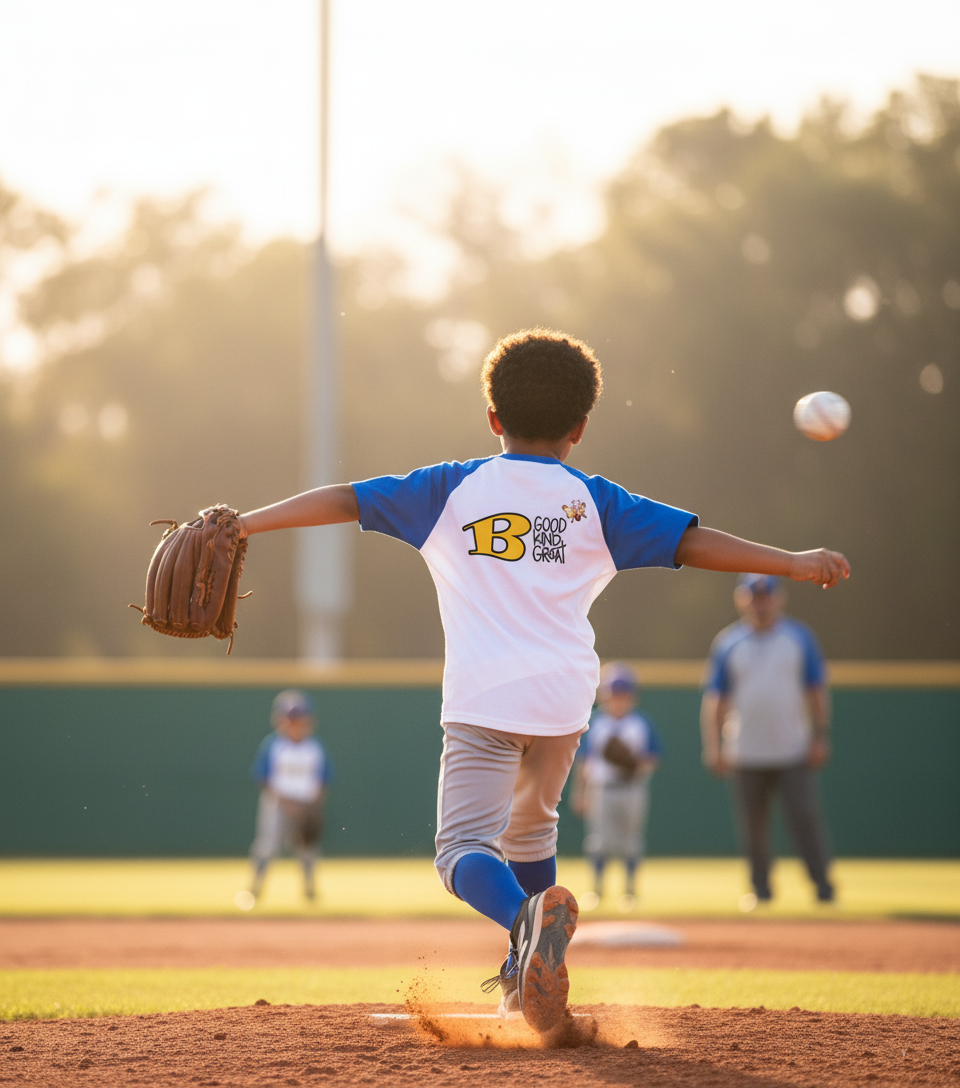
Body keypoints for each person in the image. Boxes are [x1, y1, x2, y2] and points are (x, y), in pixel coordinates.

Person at [235, 328, 849, 1032]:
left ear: (492, 418)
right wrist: (794, 562)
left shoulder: (448, 488)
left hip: (484, 700)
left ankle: (525, 918)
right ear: (580, 428)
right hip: (563, 703)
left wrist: (246, 526)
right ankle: (521, 984)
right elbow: (693, 541)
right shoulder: (598, 501)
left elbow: (344, 499)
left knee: (462, 852)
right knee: (530, 834)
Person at [700, 574, 835, 907]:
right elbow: (716, 699)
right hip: (746, 750)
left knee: (805, 818)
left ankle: (823, 887)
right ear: (741, 600)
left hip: (793, 748)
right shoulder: (729, 642)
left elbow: (816, 690)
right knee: (753, 828)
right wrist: (714, 745)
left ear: (778, 598)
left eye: (765, 596)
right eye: (753, 597)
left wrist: (820, 735)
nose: (760, 603)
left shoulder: (798, 637)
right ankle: (760, 891)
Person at [572, 662, 662, 913]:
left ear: (632, 696)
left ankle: (630, 891)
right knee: (598, 841)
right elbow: (585, 762)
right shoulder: (596, 723)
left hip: (632, 788)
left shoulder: (641, 723)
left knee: (631, 841)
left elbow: (653, 757)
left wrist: (635, 766)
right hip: (601, 788)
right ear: (604, 696)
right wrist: (580, 793)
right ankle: (597, 890)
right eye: (613, 694)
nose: (618, 699)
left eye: (623, 694)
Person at [247, 689, 332, 903]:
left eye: (299, 717)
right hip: (277, 804)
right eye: (290, 717)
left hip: (305, 805)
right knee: (267, 847)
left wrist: (313, 806)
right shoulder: (273, 745)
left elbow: (324, 779)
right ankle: (254, 890)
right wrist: (287, 803)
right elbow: (263, 778)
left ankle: (310, 892)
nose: (295, 722)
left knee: (308, 851)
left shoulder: (315, 747)